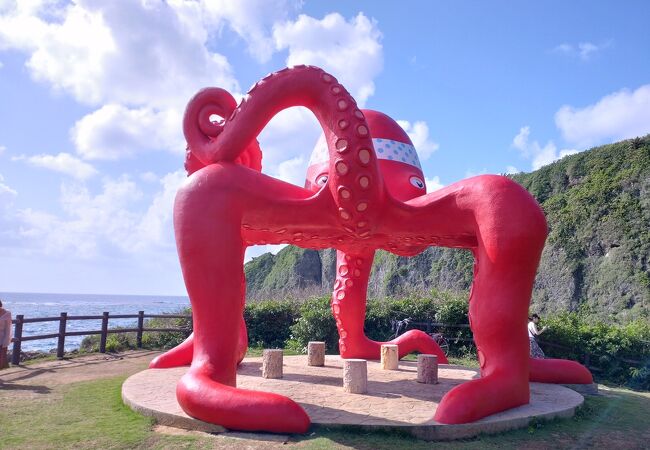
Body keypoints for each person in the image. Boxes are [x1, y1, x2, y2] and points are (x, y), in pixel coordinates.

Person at [0, 299, 12, 369]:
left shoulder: (7, 314)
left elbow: (8, 329)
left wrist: (5, 343)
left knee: (1, 360)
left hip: (2, 340)